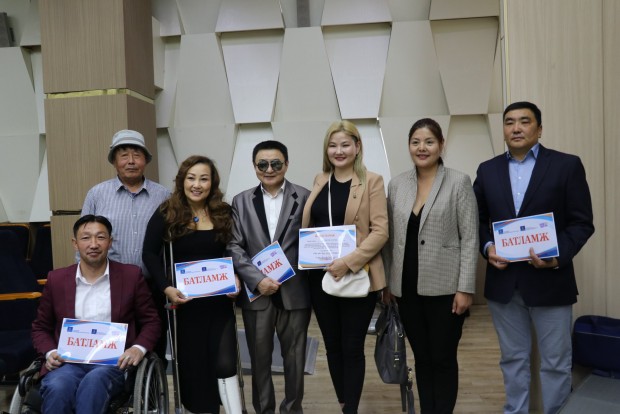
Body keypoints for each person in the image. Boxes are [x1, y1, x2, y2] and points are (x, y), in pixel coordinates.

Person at [473, 101, 594, 414]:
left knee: (556, 362)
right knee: (513, 359)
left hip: (551, 280)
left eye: (524, 121)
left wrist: (556, 256)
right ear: (503, 130)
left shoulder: (567, 165)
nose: (516, 128)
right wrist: (488, 247)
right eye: (509, 122)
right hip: (504, 285)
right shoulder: (487, 170)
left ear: (539, 129)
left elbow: (582, 223)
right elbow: (476, 220)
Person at [382, 118, 478, 414]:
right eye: (416, 142)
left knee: (443, 358)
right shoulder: (397, 184)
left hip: (446, 289)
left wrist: (465, 288)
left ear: (441, 145)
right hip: (406, 289)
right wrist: (388, 283)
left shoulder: (459, 182)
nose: (422, 148)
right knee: (422, 358)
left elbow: (470, 238)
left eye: (429, 142)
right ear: (409, 146)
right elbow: (389, 239)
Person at [142, 155, 243, 414]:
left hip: (219, 302)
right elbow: (149, 254)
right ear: (182, 181)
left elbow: (234, 250)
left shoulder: (223, 212)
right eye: (191, 178)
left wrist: (236, 277)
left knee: (225, 363)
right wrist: (166, 288)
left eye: (204, 179)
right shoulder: (167, 212)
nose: (197, 185)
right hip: (184, 304)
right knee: (194, 366)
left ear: (212, 183)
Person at [31, 215, 161, 414]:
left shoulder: (131, 276)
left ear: (110, 242)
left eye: (100, 237)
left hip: (113, 363)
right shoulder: (57, 279)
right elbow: (40, 327)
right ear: (75, 244)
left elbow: (152, 321)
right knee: (58, 386)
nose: (93, 244)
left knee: (94, 383)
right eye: (86, 238)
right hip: (68, 363)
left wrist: (138, 349)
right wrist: (50, 352)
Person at [301, 120, 388, 414]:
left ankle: (350, 408)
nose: (339, 151)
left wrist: (347, 263)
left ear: (357, 147)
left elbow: (381, 232)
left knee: (352, 347)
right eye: (333, 145)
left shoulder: (372, 181)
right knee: (332, 345)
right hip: (319, 277)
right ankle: (343, 403)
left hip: (357, 275)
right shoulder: (320, 180)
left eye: (345, 145)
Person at [227, 140, 311, 414]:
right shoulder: (240, 201)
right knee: (259, 359)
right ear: (254, 167)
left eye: (275, 163)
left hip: (294, 291)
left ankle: (292, 409)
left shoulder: (305, 197)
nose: (269, 169)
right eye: (262, 164)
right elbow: (234, 245)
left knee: (295, 359)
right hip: (257, 293)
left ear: (286, 164)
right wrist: (257, 279)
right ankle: (264, 410)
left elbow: (312, 241)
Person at [81, 129, 171, 362]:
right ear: (114, 161)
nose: (131, 161)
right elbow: (84, 240)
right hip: (109, 286)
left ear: (145, 161)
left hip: (152, 286)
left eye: (137, 155)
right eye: (124, 155)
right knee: (111, 349)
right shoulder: (97, 194)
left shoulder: (163, 196)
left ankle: (154, 385)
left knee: (154, 347)